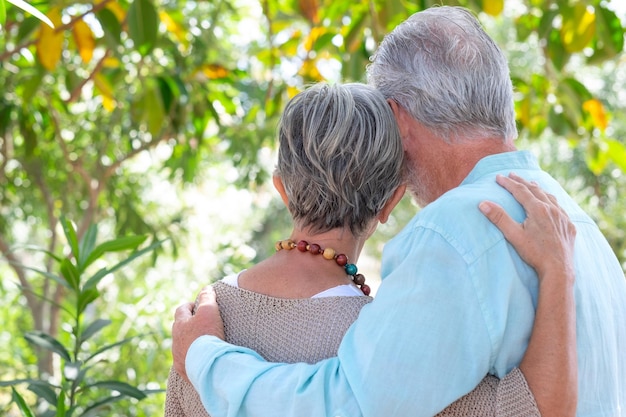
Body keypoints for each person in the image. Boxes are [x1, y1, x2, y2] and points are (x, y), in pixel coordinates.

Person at [173, 6, 626, 417]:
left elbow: (348, 406)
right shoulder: (576, 226)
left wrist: (205, 357)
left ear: (395, 115)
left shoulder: (457, 227)